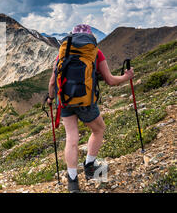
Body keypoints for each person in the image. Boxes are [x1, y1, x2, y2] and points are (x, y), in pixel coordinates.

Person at [47, 24, 134, 193]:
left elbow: (52, 82)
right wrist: (126, 76)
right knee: (99, 129)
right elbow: (110, 80)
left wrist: (51, 98)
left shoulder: (63, 52)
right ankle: (89, 167)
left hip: (64, 101)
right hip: (85, 101)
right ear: (89, 37)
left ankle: (72, 182)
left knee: (71, 137)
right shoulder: (95, 52)